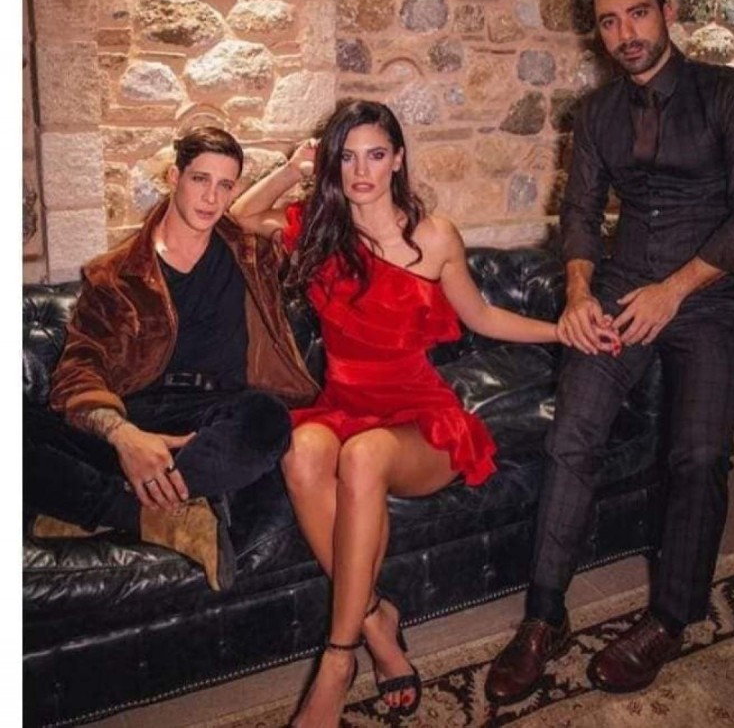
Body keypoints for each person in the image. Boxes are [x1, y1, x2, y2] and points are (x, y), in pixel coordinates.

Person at [230, 99, 619, 726]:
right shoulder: (319, 231)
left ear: (398, 160)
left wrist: (562, 331)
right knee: (300, 454)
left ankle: (338, 659)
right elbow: (241, 215)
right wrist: (294, 167)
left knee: (363, 457)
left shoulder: (433, 236)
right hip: (342, 403)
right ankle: (376, 622)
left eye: (375, 155)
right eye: (346, 157)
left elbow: (482, 316)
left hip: (419, 415)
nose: (361, 171)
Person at [484, 0, 734, 704]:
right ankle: (544, 617)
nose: (626, 34)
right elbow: (581, 213)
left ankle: (670, 618)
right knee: (571, 436)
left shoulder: (732, 96)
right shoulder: (597, 114)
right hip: (620, 291)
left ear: (667, 11)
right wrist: (579, 294)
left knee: (699, 454)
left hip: (707, 297)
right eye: (610, 22)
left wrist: (674, 290)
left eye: (638, 14)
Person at [24, 126, 318, 591]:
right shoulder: (114, 275)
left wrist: (292, 171)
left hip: (214, 422)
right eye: (200, 179)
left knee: (267, 419)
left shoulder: (250, 253)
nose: (211, 197)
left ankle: (103, 507)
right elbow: (79, 368)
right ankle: (159, 512)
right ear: (174, 176)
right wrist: (125, 437)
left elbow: (307, 224)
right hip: (136, 415)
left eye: (225, 185)